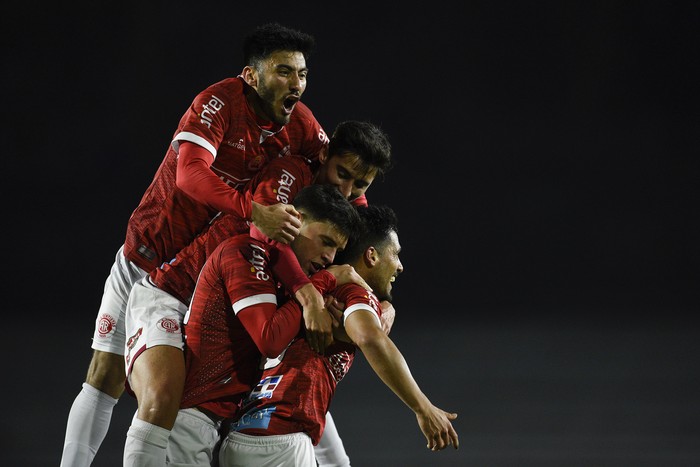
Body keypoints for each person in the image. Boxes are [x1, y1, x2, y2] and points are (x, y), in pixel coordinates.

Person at [61, 22, 329, 466]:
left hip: (208, 275)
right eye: (284, 72)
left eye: (302, 73)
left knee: (263, 384)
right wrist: (253, 210)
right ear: (252, 75)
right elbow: (189, 175)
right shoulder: (218, 103)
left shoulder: (298, 121)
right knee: (106, 376)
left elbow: (339, 174)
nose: (296, 83)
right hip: (148, 259)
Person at [122, 120, 393, 466]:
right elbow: (268, 234)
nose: (347, 189)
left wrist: (382, 303)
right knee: (163, 398)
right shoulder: (289, 175)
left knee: (303, 413)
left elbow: (370, 261)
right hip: (176, 292)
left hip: (240, 309)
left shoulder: (342, 211)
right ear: (325, 155)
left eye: (360, 184)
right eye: (343, 173)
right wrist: (312, 294)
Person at [218, 204, 459, 466]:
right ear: (371, 256)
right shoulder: (353, 292)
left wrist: (387, 309)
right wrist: (423, 408)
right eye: (396, 254)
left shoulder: (311, 286)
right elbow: (369, 338)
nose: (400, 266)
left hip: (244, 435)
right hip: (282, 442)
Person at [164, 184, 362, 465]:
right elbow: (270, 340)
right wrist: (322, 283)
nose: (330, 258)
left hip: (221, 424)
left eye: (337, 249)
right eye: (326, 241)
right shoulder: (246, 252)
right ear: (296, 220)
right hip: (190, 420)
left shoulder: (282, 276)